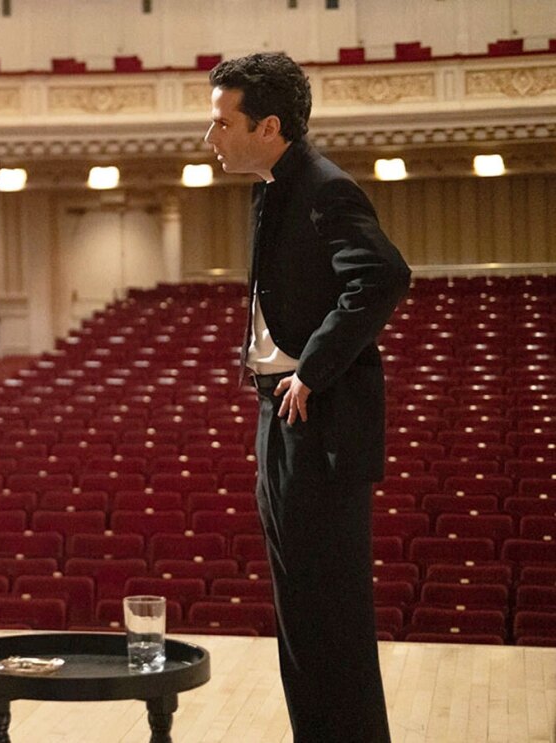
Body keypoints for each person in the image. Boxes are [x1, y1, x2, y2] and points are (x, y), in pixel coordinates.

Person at [204, 53, 410, 742]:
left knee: (329, 622)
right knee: (301, 617)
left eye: (220, 123)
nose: (210, 139)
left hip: (317, 420)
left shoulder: (323, 187)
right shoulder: (273, 186)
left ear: (267, 126)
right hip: (283, 414)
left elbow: (382, 275)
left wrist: (312, 370)